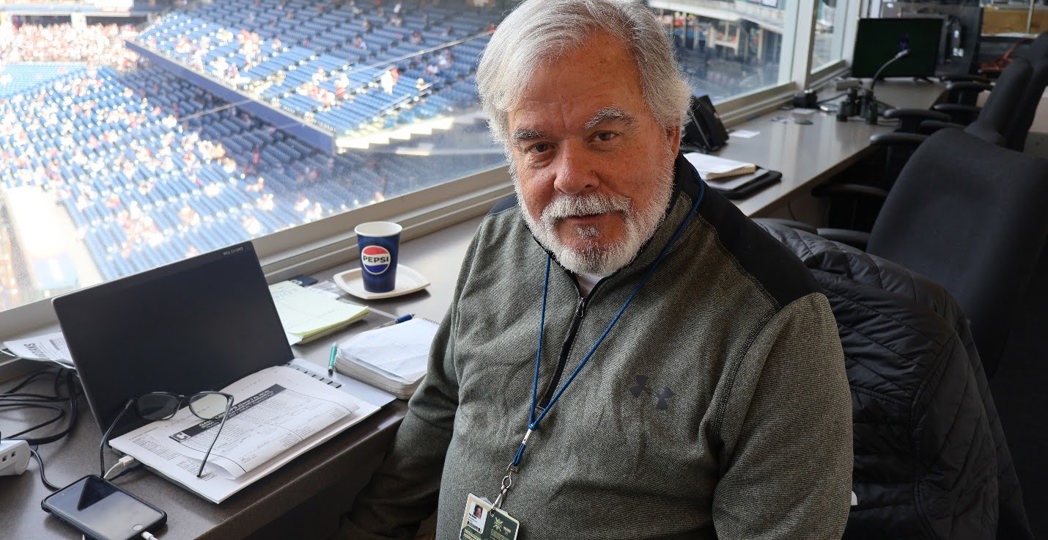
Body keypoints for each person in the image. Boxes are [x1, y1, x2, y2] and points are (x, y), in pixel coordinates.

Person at [336, 1, 852, 538]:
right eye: (539, 147)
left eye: (603, 135)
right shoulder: (499, 238)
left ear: (670, 133)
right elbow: (442, 406)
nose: (571, 178)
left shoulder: (778, 326)